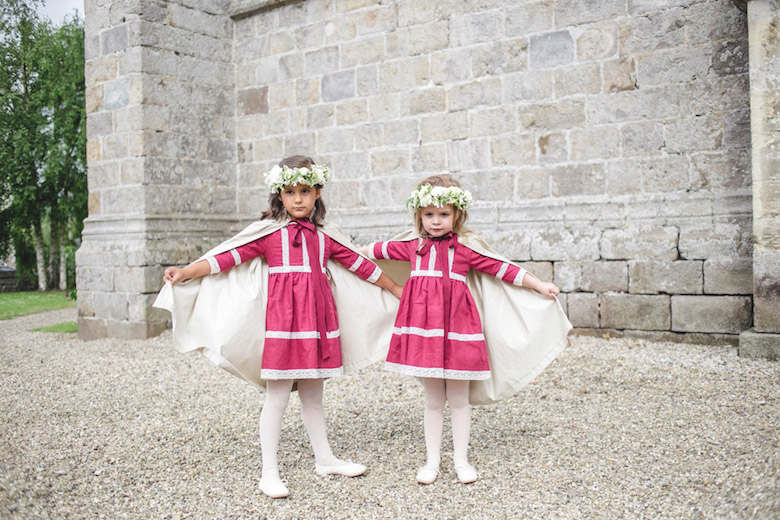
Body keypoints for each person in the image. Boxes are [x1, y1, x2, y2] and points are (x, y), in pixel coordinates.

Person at [154, 156, 402, 499]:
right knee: (278, 397)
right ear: (279, 196)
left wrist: (394, 289)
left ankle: (325, 458)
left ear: (317, 193)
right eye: (290, 192)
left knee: (314, 396)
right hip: (284, 326)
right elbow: (226, 257)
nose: (298, 199)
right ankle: (268, 471)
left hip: (317, 323)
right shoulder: (269, 234)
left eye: (305, 191)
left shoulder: (325, 237)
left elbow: (360, 264)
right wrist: (186, 272)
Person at [363, 174, 571, 485]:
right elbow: (367, 252)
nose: (436, 221)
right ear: (418, 214)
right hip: (424, 331)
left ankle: (461, 459)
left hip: (458, 330)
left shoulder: (465, 249)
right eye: (429, 214)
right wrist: (333, 261)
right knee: (433, 399)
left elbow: (504, 269)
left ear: (457, 214)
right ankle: (432, 460)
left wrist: (539, 284)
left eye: (443, 214)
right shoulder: (410, 246)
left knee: (458, 398)